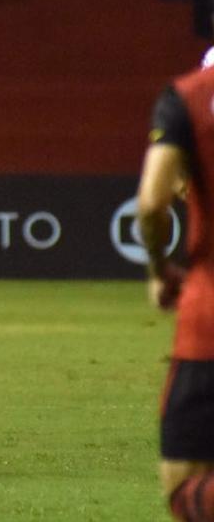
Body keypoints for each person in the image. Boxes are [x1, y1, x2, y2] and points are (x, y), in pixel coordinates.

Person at [135, 57, 214, 521]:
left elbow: (151, 203)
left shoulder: (189, 96)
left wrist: (158, 268)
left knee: (187, 491)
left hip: (208, 323)